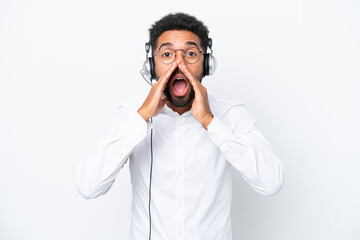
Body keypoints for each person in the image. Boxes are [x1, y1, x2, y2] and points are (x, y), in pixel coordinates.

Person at [76, 12, 284, 240]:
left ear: (206, 64)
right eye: (167, 54)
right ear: (151, 65)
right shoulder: (130, 116)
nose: (179, 63)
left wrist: (210, 122)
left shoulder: (231, 114)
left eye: (191, 54)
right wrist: (143, 116)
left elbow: (271, 182)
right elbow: (89, 186)